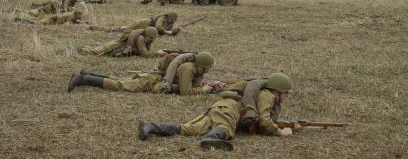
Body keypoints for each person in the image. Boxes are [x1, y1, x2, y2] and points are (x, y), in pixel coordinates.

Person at [137, 73, 298, 151]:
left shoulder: (262, 93)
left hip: (219, 107)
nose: (287, 96)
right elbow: (264, 121)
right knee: (225, 129)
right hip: (229, 111)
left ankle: (151, 127)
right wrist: (281, 132)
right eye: (286, 92)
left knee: (189, 129)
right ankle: (211, 138)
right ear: (278, 90)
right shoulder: (267, 95)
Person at [67, 51, 215, 96]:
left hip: (154, 78)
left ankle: (87, 74)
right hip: (151, 81)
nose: (210, 69)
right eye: (209, 66)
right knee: (120, 85)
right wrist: (202, 90)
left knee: (120, 79)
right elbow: (186, 91)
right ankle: (83, 79)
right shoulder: (188, 69)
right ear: (202, 66)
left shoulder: (193, 68)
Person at [76, 26, 164, 57]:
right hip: (117, 46)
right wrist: (158, 53)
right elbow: (144, 54)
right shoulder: (141, 38)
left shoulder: (145, 39)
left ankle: (83, 47)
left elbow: (146, 50)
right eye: (151, 38)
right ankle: (80, 49)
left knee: (100, 49)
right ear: (146, 35)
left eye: (153, 38)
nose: (152, 40)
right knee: (98, 52)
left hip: (119, 46)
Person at [88, 12, 181, 36]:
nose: (173, 21)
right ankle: (98, 28)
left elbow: (169, 30)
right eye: (172, 19)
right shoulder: (162, 18)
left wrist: (175, 31)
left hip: (146, 28)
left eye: (174, 20)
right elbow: (158, 27)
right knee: (124, 29)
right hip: (143, 23)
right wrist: (167, 32)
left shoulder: (171, 23)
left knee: (124, 29)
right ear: (168, 17)